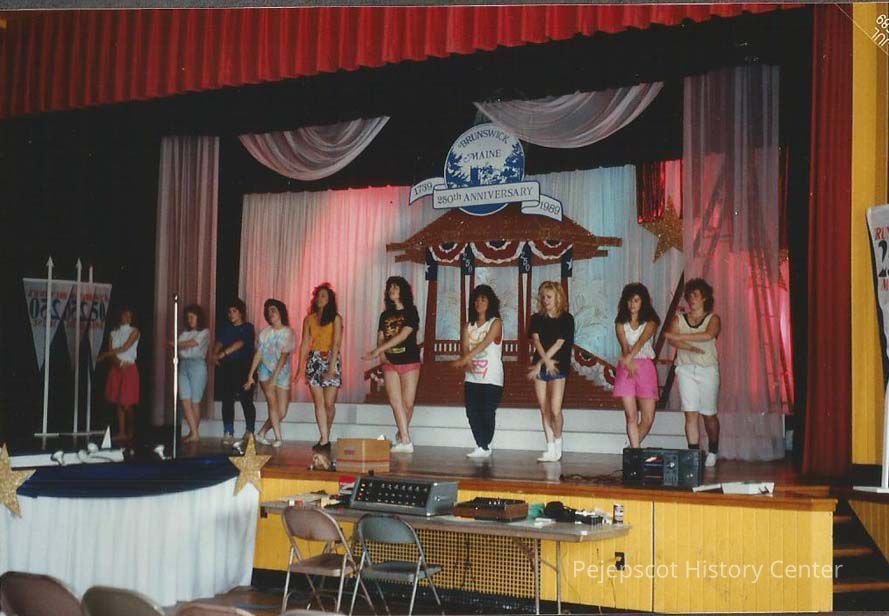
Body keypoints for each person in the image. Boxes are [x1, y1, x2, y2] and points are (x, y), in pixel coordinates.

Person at [664, 278, 721, 467]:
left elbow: (708, 335)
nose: (691, 299)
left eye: (695, 295)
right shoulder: (679, 319)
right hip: (686, 369)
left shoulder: (713, 318)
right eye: (689, 296)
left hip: (707, 370)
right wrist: (690, 347)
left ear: (704, 298)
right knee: (690, 413)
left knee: (709, 414)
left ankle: (713, 450)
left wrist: (680, 336)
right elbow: (671, 340)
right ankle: (694, 453)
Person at [363, 276, 421, 454]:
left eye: (395, 287)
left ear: (403, 290)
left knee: (408, 403)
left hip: (409, 360)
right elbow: (381, 337)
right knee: (395, 401)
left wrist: (377, 351)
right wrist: (381, 355)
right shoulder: (385, 315)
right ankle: (406, 440)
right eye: (389, 288)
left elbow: (403, 335)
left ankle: (401, 434)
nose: (391, 290)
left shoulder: (411, 312)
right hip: (390, 362)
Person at [451, 284, 503, 459]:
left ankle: (484, 445)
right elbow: (465, 346)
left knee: (487, 412)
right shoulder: (468, 326)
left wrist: (464, 359)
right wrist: (467, 360)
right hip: (472, 377)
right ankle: (482, 445)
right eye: (476, 300)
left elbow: (486, 343)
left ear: (490, 302)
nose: (479, 303)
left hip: (491, 377)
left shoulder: (495, 322)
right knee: (472, 412)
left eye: (483, 299)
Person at [527, 281, 574, 463]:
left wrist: (545, 362)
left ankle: (558, 442)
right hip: (541, 364)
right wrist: (542, 363)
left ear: (557, 298)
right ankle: (550, 447)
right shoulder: (536, 318)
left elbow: (560, 343)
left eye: (549, 297)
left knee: (555, 409)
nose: (545, 300)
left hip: (558, 365)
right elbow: (537, 341)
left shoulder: (567, 318)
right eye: (543, 297)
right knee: (544, 408)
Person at [295, 283, 343, 451]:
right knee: (319, 402)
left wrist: (331, 367)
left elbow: (336, 343)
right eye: (318, 295)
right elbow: (304, 344)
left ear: (329, 299)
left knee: (329, 404)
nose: (319, 298)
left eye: (323, 296)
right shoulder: (309, 319)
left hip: (331, 358)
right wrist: (300, 367)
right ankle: (324, 439)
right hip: (314, 359)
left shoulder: (336, 318)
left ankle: (325, 434)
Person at [613, 283, 661, 448]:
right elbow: (624, 345)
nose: (632, 305)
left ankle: (631, 450)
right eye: (629, 301)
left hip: (645, 366)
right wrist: (628, 361)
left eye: (636, 300)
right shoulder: (621, 322)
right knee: (631, 416)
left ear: (643, 302)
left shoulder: (651, 322)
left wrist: (630, 358)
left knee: (648, 418)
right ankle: (635, 451)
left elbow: (641, 341)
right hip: (626, 367)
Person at [245, 299, 294, 448]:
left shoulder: (288, 332)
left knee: (282, 411)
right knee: (272, 404)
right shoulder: (265, 333)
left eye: (273, 310)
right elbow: (259, 354)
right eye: (268, 311)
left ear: (280, 312)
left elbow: (284, 356)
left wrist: (275, 377)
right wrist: (250, 375)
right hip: (265, 371)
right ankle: (278, 438)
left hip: (282, 373)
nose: (270, 313)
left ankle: (262, 433)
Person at [212, 298, 256, 446]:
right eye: (229, 312)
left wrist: (222, 354)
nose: (231, 314)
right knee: (227, 399)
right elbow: (219, 342)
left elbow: (240, 343)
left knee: (246, 400)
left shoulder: (248, 327)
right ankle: (228, 431)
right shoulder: (226, 329)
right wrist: (214, 354)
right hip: (228, 367)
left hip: (244, 367)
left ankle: (250, 431)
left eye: (234, 311)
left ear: (241, 312)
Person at [98, 307, 140, 444]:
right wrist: (118, 362)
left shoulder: (134, 331)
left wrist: (105, 355)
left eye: (130, 315)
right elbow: (112, 350)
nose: (128, 317)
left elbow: (125, 347)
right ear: (120, 316)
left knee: (126, 403)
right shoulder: (113, 333)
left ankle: (131, 430)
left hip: (129, 367)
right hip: (117, 367)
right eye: (125, 315)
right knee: (118, 402)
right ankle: (122, 432)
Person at [177, 304, 210, 443]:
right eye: (188, 317)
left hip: (197, 366)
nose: (190, 320)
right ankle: (194, 433)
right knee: (185, 399)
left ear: (198, 318)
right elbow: (180, 348)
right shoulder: (184, 333)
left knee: (195, 401)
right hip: (184, 365)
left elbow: (193, 343)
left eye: (192, 317)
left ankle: (194, 433)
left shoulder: (205, 332)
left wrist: (176, 344)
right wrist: (178, 344)